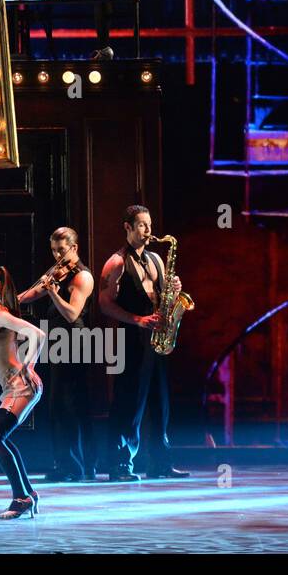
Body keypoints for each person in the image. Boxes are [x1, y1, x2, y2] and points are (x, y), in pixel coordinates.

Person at [98, 206, 190, 481]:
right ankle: (119, 466)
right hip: (132, 338)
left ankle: (160, 464)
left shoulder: (156, 260)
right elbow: (103, 304)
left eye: (149, 224)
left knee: (159, 403)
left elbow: (164, 299)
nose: (148, 230)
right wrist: (136, 319)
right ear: (127, 227)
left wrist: (173, 292)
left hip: (158, 338)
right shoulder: (115, 263)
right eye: (141, 225)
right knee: (129, 403)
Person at [17, 226, 97, 481]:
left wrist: (52, 292)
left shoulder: (82, 277)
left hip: (75, 343)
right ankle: (71, 466)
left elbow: (72, 314)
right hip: (57, 343)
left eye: (61, 250)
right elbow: (33, 293)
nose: (57, 256)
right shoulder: (57, 273)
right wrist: (8, 302)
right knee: (60, 407)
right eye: (53, 250)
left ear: (74, 248)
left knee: (70, 406)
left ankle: (75, 467)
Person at [0, 262, 46, 519]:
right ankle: (28, 493)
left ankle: (21, 497)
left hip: (21, 387)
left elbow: (37, 334)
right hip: (12, 388)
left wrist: (28, 364)